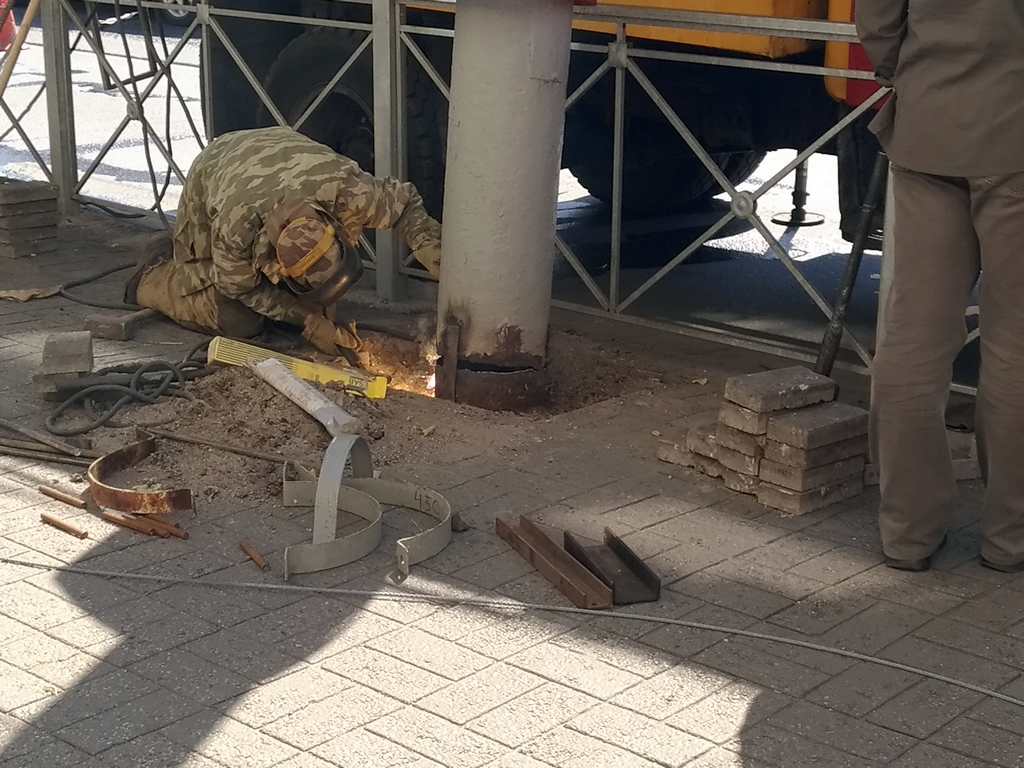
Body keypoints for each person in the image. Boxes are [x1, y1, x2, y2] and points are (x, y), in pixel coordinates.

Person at [857, 1, 1024, 572]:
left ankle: (908, 533)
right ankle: (1010, 540)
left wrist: (915, 73)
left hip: (928, 126)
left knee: (914, 337)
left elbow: (878, 17)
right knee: (1015, 345)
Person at [126, 126, 442, 364]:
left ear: (331, 225)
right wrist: (307, 319)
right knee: (237, 321)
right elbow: (238, 288)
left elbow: (403, 204)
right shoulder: (236, 229)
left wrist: (430, 247)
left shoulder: (345, 190)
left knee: (307, 304)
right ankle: (154, 276)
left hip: (273, 148)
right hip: (215, 168)